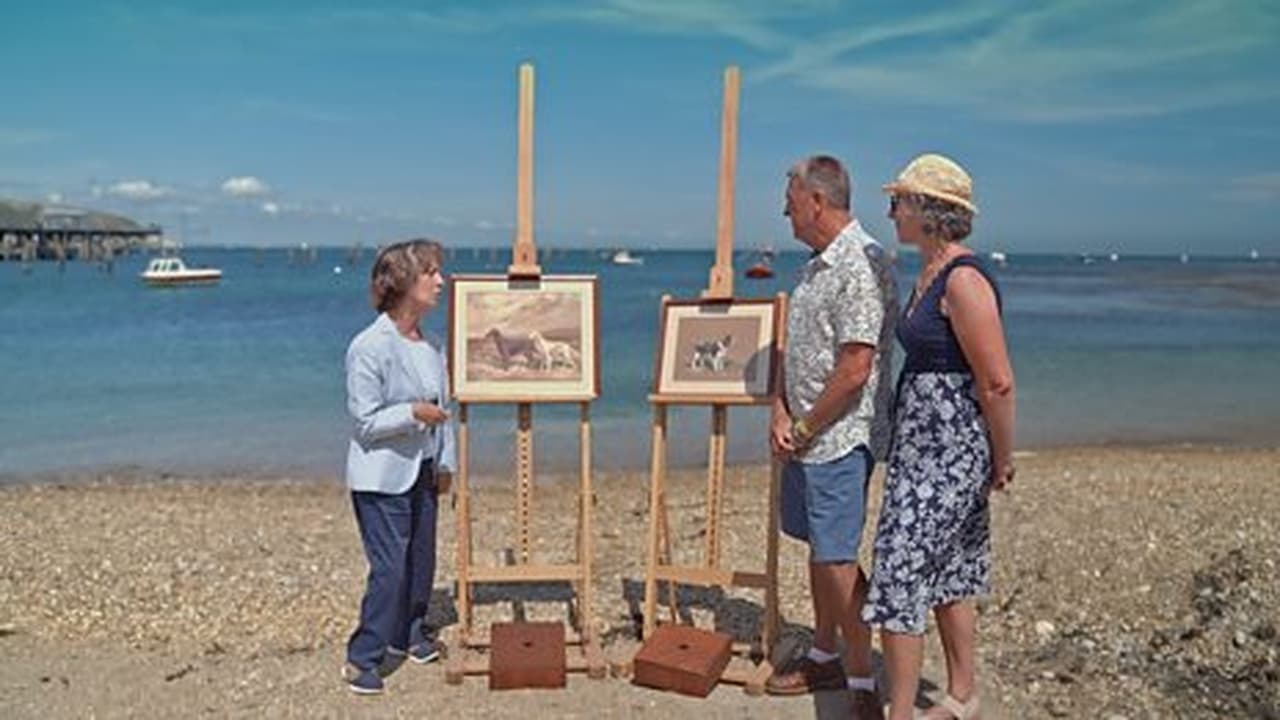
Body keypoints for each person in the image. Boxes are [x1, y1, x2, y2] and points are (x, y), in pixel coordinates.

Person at [862, 154, 1015, 720]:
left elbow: (997, 382)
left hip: (952, 451)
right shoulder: (930, 269)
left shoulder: (965, 279)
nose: (891, 210)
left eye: (899, 200)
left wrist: (1001, 458)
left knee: (899, 570)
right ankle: (963, 694)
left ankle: (900, 713)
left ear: (930, 211)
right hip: (922, 448)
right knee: (951, 567)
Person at [767, 155, 898, 719]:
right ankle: (824, 651)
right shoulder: (819, 264)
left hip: (839, 439)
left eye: (791, 203)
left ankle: (865, 681)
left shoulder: (860, 265)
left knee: (838, 557)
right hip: (808, 437)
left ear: (816, 201)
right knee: (822, 550)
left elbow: (855, 369)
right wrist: (779, 407)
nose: (786, 214)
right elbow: (799, 349)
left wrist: (803, 424)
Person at [342, 239, 456, 695]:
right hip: (381, 477)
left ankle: (408, 633)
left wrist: (446, 462)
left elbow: (446, 410)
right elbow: (364, 422)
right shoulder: (368, 346)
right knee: (389, 569)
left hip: (424, 470)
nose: (440, 281)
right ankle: (361, 657)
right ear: (405, 281)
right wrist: (412, 413)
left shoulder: (432, 345)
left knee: (421, 560)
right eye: (430, 272)